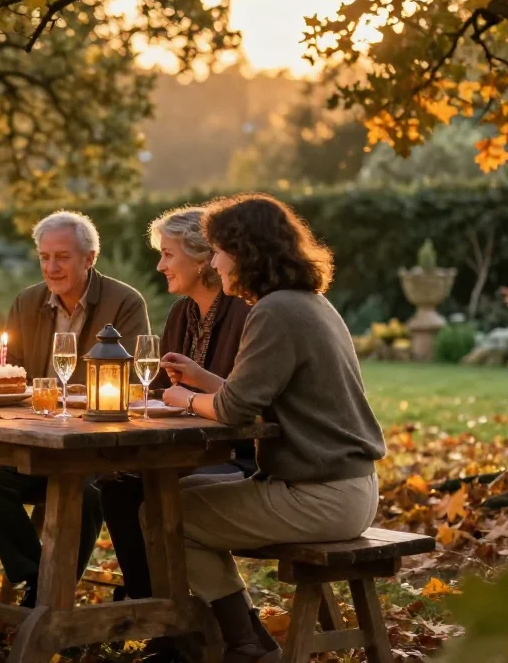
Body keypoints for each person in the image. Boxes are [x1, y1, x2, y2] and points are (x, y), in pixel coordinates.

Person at [159, 193, 387, 663]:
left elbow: (236, 410)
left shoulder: (275, 310)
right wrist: (204, 381)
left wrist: (183, 398)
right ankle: (243, 636)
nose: (215, 261)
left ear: (244, 252)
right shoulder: (308, 302)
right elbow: (257, 394)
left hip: (321, 496)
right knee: (178, 497)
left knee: (163, 515)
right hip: (348, 487)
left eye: (220, 249)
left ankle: (245, 642)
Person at [0, 210, 150, 608]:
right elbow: (11, 372)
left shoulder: (123, 302)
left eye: (63, 257)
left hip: (98, 448)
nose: (52, 267)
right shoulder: (27, 302)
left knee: (85, 494)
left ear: (89, 258)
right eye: (45, 257)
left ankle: (46, 599)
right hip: (39, 441)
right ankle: (40, 580)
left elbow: (131, 379)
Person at [96, 206, 253, 604]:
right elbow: (161, 391)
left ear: (203, 258)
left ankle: (168, 613)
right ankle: (150, 603)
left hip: (239, 452)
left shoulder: (246, 311)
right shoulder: (182, 313)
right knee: (117, 484)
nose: (161, 265)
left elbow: (244, 402)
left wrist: (184, 397)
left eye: (168, 254)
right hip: (186, 446)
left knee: (146, 491)